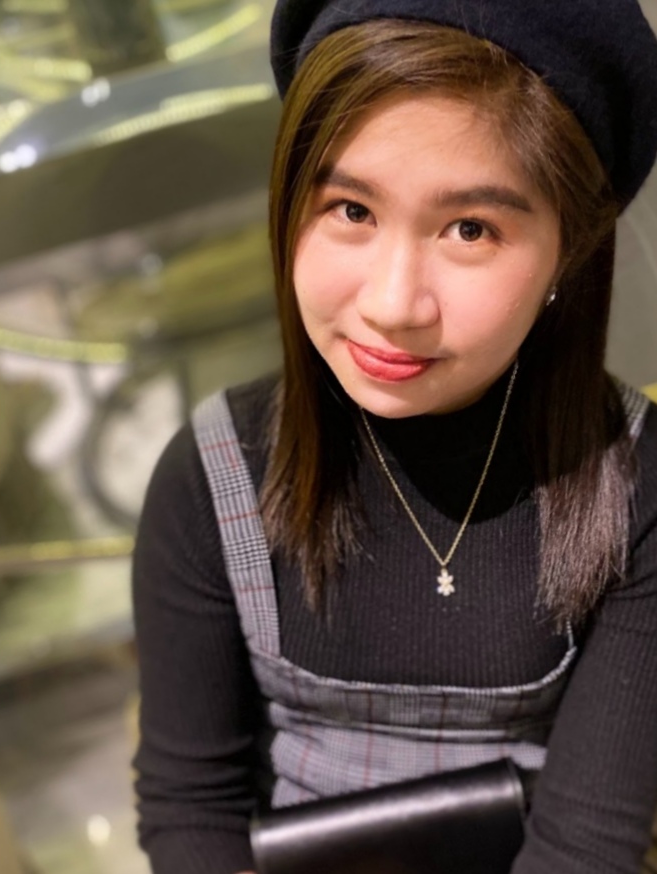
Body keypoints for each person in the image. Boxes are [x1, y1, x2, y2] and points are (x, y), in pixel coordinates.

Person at [132, 1, 657, 872]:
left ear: (569, 250)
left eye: (470, 229)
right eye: (351, 209)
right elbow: (191, 806)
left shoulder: (634, 487)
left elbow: (586, 847)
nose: (392, 304)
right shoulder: (213, 475)